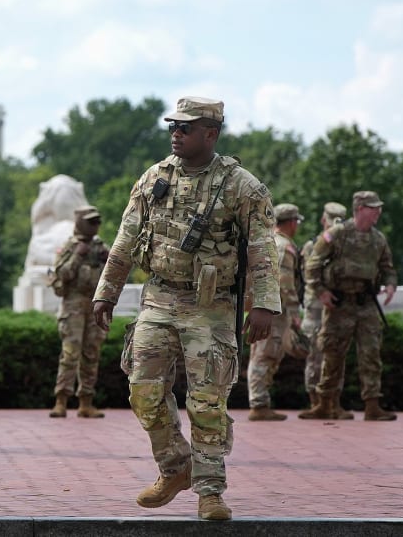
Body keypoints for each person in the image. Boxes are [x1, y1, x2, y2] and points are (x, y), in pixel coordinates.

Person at [92, 96, 279, 522]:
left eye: (186, 128)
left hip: (211, 305)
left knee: (207, 401)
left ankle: (210, 491)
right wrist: (106, 292)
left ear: (210, 134)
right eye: (173, 126)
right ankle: (176, 468)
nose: (176, 133)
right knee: (143, 391)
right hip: (158, 298)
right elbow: (125, 239)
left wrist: (265, 304)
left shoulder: (241, 186)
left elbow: (264, 248)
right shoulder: (154, 177)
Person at [300, 191, 397, 421]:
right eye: (374, 207)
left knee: (371, 354)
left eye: (378, 207)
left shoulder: (378, 239)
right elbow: (312, 263)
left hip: (366, 305)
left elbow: (388, 268)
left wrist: (391, 285)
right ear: (360, 208)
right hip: (339, 304)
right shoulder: (338, 233)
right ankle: (325, 404)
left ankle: (372, 406)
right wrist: (320, 292)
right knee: (332, 352)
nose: (378, 212)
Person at [48, 205, 109, 419]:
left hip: (94, 305)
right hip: (73, 305)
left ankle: (86, 403)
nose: (95, 226)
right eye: (91, 222)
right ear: (80, 222)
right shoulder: (69, 246)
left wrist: (108, 259)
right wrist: (76, 256)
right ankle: (61, 401)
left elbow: (114, 275)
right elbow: (60, 275)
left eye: (97, 222)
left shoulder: (101, 247)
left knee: (92, 353)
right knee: (70, 354)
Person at [246, 203, 303, 421]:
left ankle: (260, 402)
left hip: (266, 307)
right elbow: (285, 282)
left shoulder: (270, 242)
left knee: (262, 353)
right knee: (267, 353)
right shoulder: (283, 246)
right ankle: (259, 404)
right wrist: (295, 311)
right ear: (291, 222)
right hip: (275, 309)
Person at [299, 201, 349, 417]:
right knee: (316, 354)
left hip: (338, 307)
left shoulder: (346, 246)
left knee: (336, 353)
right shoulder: (313, 245)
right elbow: (307, 277)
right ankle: (316, 402)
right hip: (317, 307)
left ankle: (333, 403)